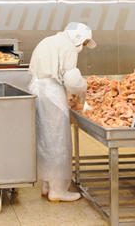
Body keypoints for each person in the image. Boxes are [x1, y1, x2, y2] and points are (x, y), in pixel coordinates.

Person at [28, 22, 95, 202]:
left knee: (44, 140)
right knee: (58, 141)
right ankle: (58, 190)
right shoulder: (68, 47)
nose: (83, 47)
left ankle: (46, 184)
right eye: (84, 42)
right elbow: (72, 81)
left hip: (37, 91)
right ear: (78, 38)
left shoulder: (47, 41)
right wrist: (84, 86)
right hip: (52, 94)